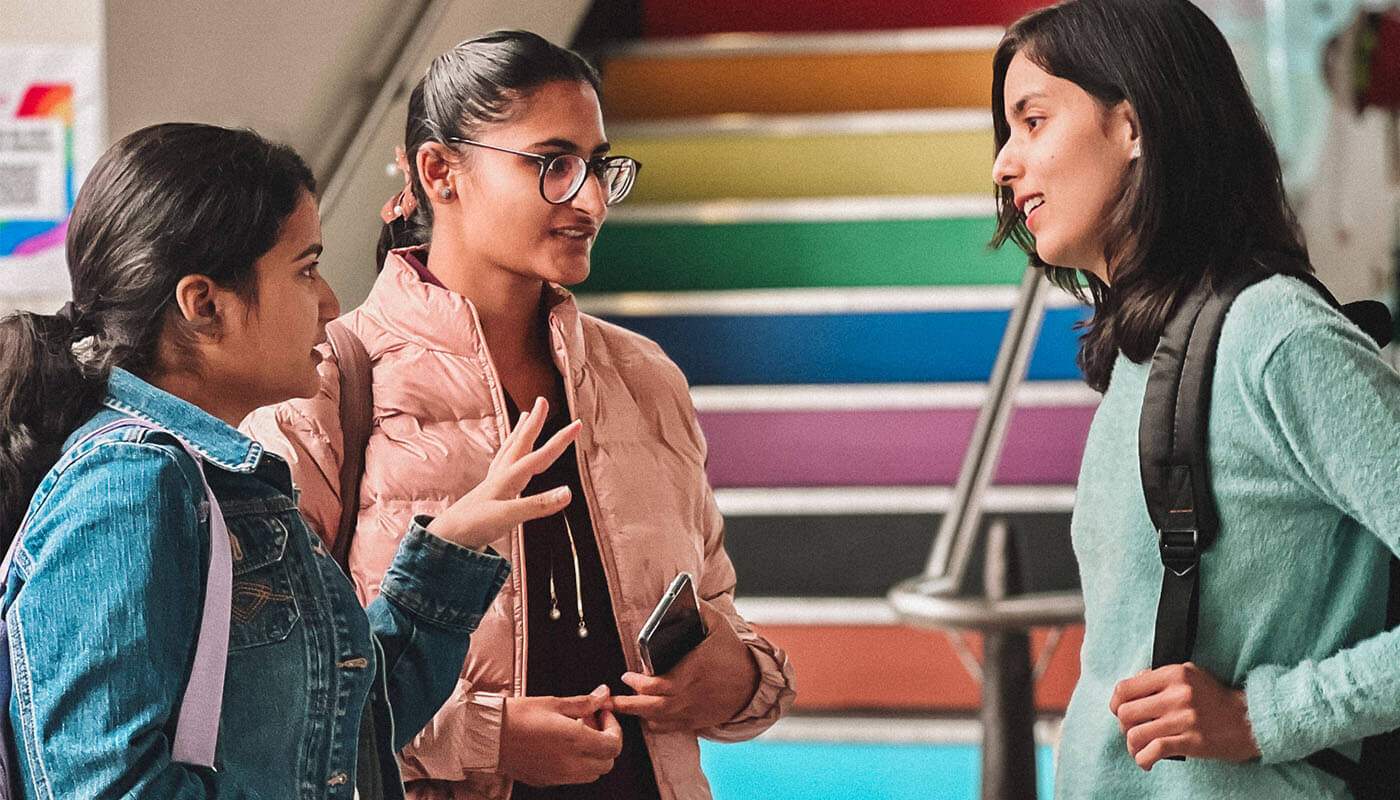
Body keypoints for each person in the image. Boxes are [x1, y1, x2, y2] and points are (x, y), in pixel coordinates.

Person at [244, 29, 796, 800]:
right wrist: (487, 738)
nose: (592, 198)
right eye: (554, 165)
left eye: (600, 167)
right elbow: (277, 694)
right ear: (439, 171)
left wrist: (738, 678)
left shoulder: (644, 377)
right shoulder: (324, 387)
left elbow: (718, 612)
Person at [0, 122, 584, 799]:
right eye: (305, 269)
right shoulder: (134, 487)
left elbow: (334, 729)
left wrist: (449, 554)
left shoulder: (211, 481)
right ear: (203, 304)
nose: (331, 303)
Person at [989, 0, 1400, 797]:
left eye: (1032, 121)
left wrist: (1264, 716)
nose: (1004, 164)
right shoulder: (1151, 352)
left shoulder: (1275, 337)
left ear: (1133, 127)